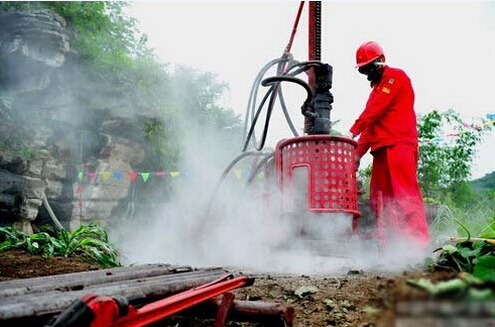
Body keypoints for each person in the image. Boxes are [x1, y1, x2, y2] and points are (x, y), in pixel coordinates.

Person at [349, 41, 429, 249]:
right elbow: (371, 126)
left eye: (369, 67)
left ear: (381, 61)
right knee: (380, 200)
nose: (367, 73)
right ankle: (390, 247)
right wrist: (356, 154)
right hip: (381, 151)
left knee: (404, 196)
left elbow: (373, 112)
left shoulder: (395, 77)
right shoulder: (376, 90)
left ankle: (416, 245)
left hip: (399, 145)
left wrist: (351, 131)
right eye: (363, 70)